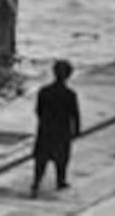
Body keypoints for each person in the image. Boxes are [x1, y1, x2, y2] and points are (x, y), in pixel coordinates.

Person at [32, 59, 80, 197]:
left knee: (41, 158)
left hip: (46, 129)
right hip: (62, 131)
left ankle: (36, 181)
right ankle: (60, 180)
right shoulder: (70, 94)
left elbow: (38, 110)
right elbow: (74, 114)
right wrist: (76, 130)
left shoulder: (44, 91)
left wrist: (44, 121)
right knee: (62, 157)